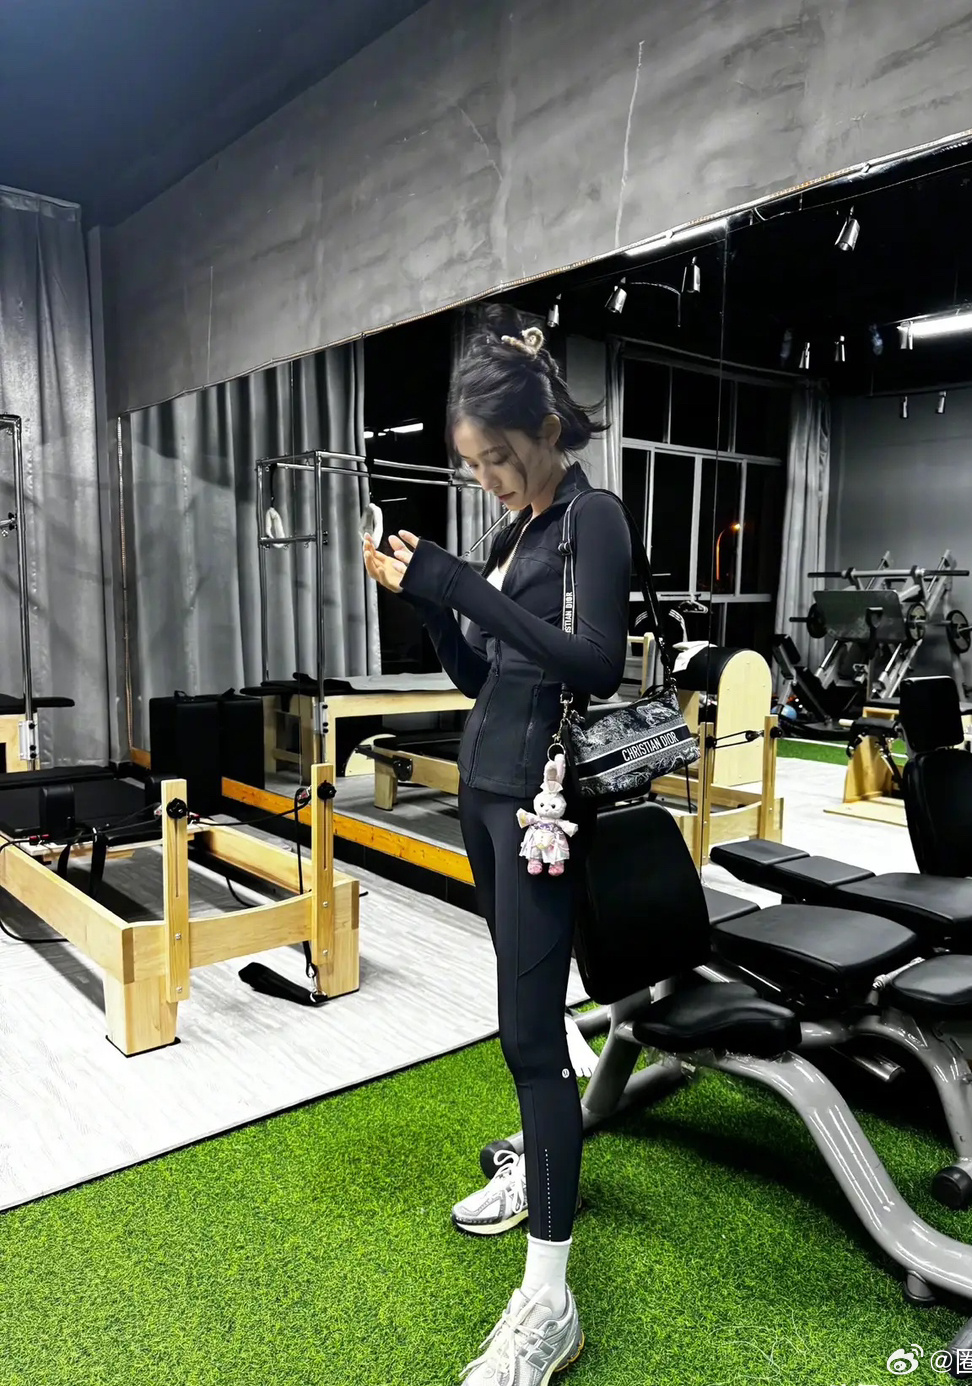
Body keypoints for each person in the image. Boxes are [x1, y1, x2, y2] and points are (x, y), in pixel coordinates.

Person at [363, 308, 631, 1385]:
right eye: (472, 466)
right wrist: (431, 606)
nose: (487, 481)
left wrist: (460, 587)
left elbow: (596, 663)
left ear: (545, 430)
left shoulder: (592, 519)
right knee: (530, 1014)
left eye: (498, 459)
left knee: (528, 1034)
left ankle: (549, 1304)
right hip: (484, 790)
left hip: (540, 805)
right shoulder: (514, 531)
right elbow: (485, 677)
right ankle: (543, 1155)